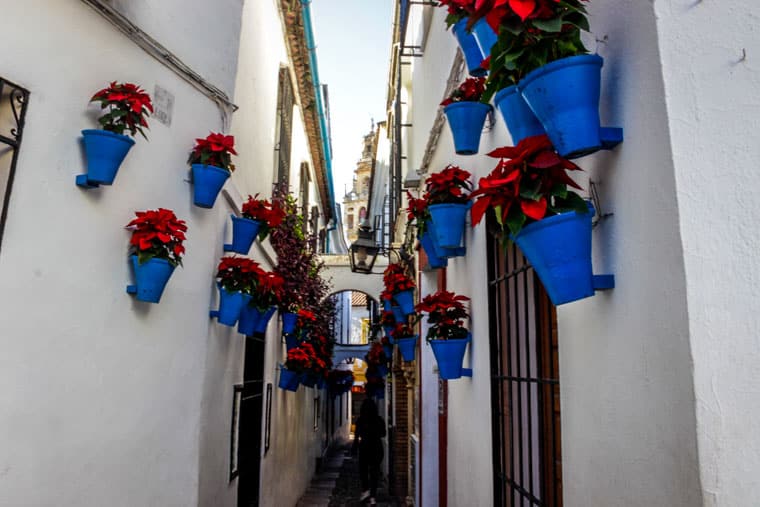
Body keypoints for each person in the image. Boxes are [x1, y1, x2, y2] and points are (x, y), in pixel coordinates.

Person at [353, 397, 386, 505]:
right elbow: (383, 433)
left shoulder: (360, 420)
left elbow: (356, 436)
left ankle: (366, 490)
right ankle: (373, 496)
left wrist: (354, 449)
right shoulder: (379, 420)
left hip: (365, 448)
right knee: (374, 472)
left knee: (363, 470)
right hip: (377, 447)